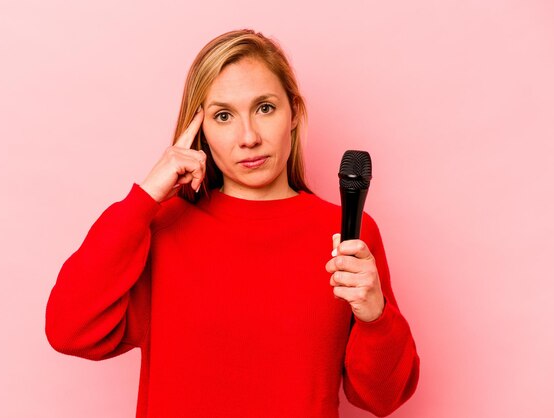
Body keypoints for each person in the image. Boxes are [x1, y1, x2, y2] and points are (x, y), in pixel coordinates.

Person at [45, 29, 419, 418]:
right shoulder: (161, 228)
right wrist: (144, 198)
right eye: (224, 116)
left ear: (293, 112)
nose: (249, 137)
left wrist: (375, 316)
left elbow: (383, 397)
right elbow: (69, 330)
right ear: (199, 130)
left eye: (265, 108)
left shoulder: (347, 234)